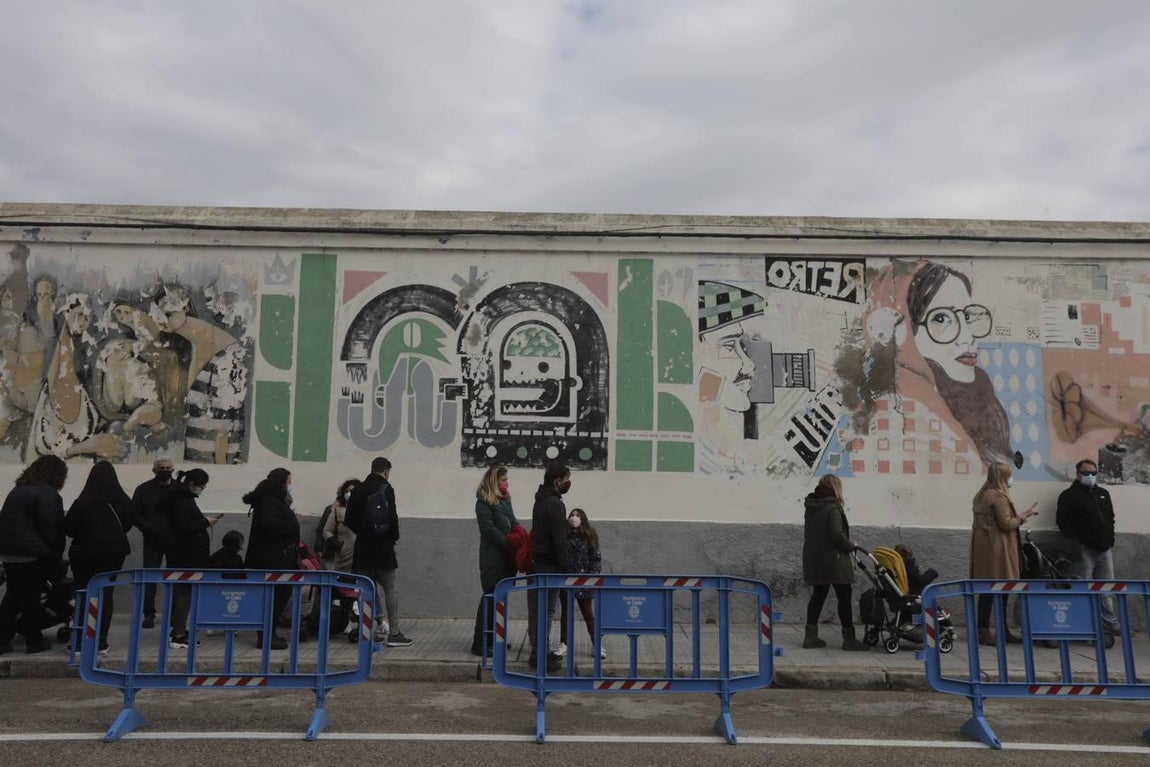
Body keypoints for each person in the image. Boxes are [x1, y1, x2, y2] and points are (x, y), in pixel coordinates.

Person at [863, 260, 1021, 469]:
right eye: (940, 319)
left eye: (967, 316)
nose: (967, 337)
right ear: (902, 332)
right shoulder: (904, 411)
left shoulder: (971, 397)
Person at [64, 460, 135, 653]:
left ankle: (79, 641)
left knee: (83, 594)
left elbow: (69, 529)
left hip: (84, 554)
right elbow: (128, 524)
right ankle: (101, 640)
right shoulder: (122, 500)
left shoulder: (82, 501)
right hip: (112, 554)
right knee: (105, 594)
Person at [0, 455, 68, 654]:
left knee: (13, 597)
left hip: (9, 553)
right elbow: (51, 528)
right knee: (30, 597)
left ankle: (2, 639)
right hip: (32, 554)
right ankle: (34, 640)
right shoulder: (47, 494)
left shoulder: (18, 490)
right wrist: (55, 556)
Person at [344, 456, 412, 647]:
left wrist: (363, 533)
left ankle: (367, 632)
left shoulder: (357, 490)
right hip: (383, 549)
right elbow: (392, 518)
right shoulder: (386, 489)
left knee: (366, 590)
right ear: (386, 471)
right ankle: (395, 633)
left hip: (363, 549)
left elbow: (349, 519)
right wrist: (392, 537)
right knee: (390, 589)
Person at [970, 462, 1038, 646]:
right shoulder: (998, 497)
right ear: (1002, 477)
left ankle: (987, 629)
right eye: (1008, 475)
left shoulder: (982, 495)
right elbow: (1007, 524)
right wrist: (1026, 514)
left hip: (986, 549)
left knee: (988, 590)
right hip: (998, 550)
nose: (1011, 479)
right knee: (1002, 588)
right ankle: (995, 630)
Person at [1056, 459, 1121, 637]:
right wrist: (1077, 541)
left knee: (1106, 588)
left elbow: (1110, 518)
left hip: (1104, 548)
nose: (1090, 477)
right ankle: (1083, 623)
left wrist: (1111, 539)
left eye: (1093, 473)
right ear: (1077, 474)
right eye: (1086, 473)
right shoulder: (1068, 496)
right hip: (1084, 549)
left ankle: (1110, 624)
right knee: (1083, 587)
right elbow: (1063, 521)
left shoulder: (1103, 493)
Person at [801, 474, 866, 651]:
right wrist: (851, 545)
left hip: (815, 559)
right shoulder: (833, 508)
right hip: (835, 560)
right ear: (836, 488)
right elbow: (836, 535)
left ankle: (810, 637)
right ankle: (849, 639)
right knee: (844, 596)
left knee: (818, 596)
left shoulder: (811, 507)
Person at [242, 468, 299, 650]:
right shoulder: (269, 502)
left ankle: (268, 633)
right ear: (282, 482)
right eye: (289, 482)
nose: (290, 486)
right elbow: (271, 526)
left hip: (274, 558)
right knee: (276, 596)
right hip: (272, 560)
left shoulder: (270, 501)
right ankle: (266, 635)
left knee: (276, 596)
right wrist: (291, 523)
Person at [528, 461, 573, 671]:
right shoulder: (555, 504)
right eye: (566, 480)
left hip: (541, 561)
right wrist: (566, 566)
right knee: (547, 610)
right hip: (551, 565)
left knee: (540, 609)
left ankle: (537, 651)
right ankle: (540, 655)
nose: (568, 483)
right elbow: (559, 538)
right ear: (557, 481)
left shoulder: (540, 500)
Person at [166, 468, 217, 649]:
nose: (201, 490)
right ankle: (178, 634)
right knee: (185, 594)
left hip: (188, 554)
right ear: (192, 485)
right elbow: (184, 526)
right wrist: (205, 522)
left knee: (184, 593)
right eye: (201, 486)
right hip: (188, 555)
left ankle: (178, 630)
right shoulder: (182, 500)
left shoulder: (182, 498)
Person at [471, 466, 518, 657]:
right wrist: (508, 542)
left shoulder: (505, 500)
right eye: (503, 479)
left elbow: (513, 522)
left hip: (507, 557)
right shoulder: (483, 502)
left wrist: (520, 537)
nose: (507, 483)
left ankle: (496, 638)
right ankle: (480, 642)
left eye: (507, 479)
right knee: (490, 596)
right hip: (493, 557)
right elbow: (488, 529)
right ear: (494, 481)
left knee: (501, 598)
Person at [133, 456, 176, 629]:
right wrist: (147, 528)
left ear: (173, 470)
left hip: (175, 541)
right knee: (150, 577)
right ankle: (148, 614)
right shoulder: (143, 490)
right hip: (152, 540)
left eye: (168, 468)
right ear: (154, 470)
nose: (165, 471)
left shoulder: (179, 489)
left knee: (175, 578)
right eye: (161, 468)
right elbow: (134, 513)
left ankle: (173, 614)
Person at [558, 508, 603, 660]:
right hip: (567, 581)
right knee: (566, 614)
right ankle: (564, 643)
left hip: (585, 582)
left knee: (588, 614)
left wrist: (591, 578)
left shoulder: (590, 536)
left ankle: (597, 644)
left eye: (577, 515)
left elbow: (596, 559)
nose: (574, 518)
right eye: (572, 515)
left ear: (583, 518)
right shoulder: (563, 535)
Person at [320, 478, 359, 572]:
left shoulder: (365, 510)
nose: (349, 493)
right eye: (347, 491)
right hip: (343, 557)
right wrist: (334, 543)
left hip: (360, 557)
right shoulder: (337, 511)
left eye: (352, 491)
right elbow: (326, 530)